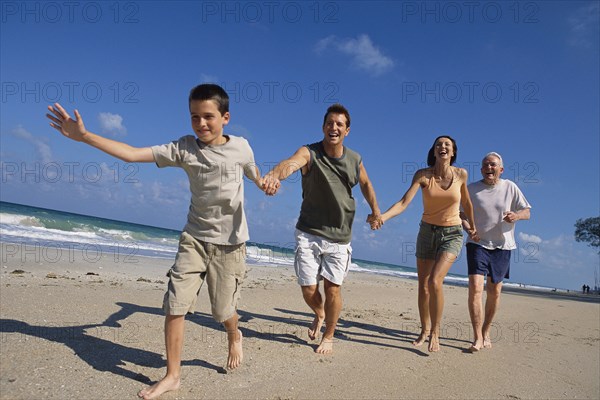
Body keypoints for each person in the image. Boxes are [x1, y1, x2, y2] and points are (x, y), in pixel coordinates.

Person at [46, 84, 264, 399]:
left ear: (225, 117)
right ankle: (172, 375)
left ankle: (234, 332)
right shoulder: (184, 149)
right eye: (194, 117)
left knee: (221, 311)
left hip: (230, 244)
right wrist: (85, 136)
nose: (201, 124)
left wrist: (263, 182)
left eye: (208, 117)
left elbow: (253, 174)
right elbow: (133, 155)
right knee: (175, 305)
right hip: (194, 239)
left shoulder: (242, 146)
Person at [262, 104, 382, 354]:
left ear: (347, 130)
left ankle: (329, 335)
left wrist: (375, 210)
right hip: (308, 231)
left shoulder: (354, 159)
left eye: (339, 124)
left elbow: (367, 183)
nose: (334, 127)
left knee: (332, 288)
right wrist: (274, 175)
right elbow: (291, 163)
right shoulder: (310, 152)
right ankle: (319, 312)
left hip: (340, 235)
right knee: (308, 289)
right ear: (323, 126)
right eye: (330, 123)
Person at [373, 135, 477, 352]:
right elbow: (404, 202)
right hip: (427, 232)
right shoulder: (423, 175)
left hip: (452, 233)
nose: (443, 147)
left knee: (435, 282)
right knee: (423, 285)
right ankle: (424, 330)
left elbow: (466, 202)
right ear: (434, 150)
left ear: (453, 152)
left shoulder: (461, 175)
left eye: (447, 145)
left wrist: (472, 226)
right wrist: (382, 216)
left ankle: (436, 332)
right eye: (439, 144)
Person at [462, 152, 531, 352]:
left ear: (501, 169)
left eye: (493, 165)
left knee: (494, 292)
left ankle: (486, 331)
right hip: (477, 244)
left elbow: (527, 211)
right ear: (481, 169)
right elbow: (461, 214)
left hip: (503, 246)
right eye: (485, 165)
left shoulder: (510, 187)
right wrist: (469, 229)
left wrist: (516, 215)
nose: (488, 168)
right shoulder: (471, 189)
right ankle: (477, 337)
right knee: (475, 288)